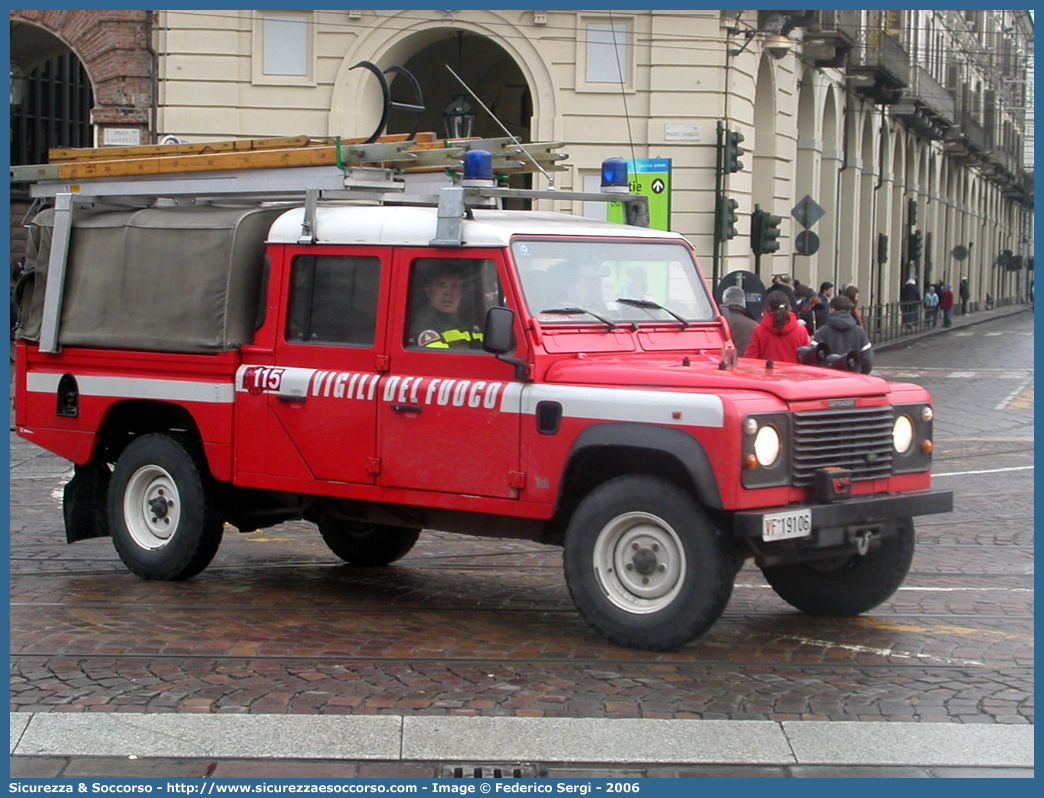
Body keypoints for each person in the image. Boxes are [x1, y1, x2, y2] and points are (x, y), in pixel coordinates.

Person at [408, 263, 484, 349]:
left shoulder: (469, 320)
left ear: (461, 292)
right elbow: (442, 360)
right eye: (441, 285)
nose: (448, 293)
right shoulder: (422, 325)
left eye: (454, 286)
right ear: (428, 291)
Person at [743, 289, 810, 363]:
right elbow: (807, 362)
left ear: (767, 308)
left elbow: (751, 361)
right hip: (793, 374)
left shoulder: (758, 331)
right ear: (788, 307)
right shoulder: (801, 331)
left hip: (766, 373)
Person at [814, 294, 873, 374]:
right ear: (849, 311)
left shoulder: (822, 332)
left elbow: (813, 358)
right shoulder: (860, 332)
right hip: (852, 377)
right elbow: (868, 360)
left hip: (828, 379)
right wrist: (860, 375)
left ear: (832, 310)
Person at [721, 285, 756, 356]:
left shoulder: (717, 324)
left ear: (724, 302)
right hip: (746, 365)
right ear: (744, 302)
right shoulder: (754, 326)